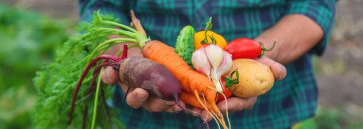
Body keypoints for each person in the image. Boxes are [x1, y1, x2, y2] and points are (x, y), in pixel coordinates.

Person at [79, 0, 336, 129]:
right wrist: (133, 64)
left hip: (268, 112)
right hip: (144, 118)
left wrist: (252, 60)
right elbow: (100, 8)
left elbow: (313, 6)